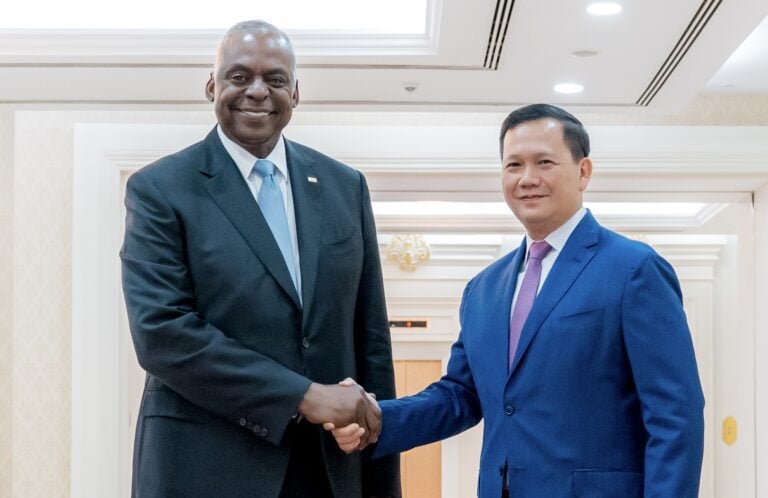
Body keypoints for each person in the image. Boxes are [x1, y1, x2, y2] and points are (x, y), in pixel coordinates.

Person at [328, 104, 704, 497]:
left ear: (583, 171)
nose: (527, 179)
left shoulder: (634, 269)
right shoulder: (484, 289)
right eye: (513, 165)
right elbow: (461, 395)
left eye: (544, 162)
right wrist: (377, 419)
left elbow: (675, 417)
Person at [121, 20, 400, 498]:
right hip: (204, 467)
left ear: (295, 91)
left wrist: (378, 452)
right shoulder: (160, 189)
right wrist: (304, 396)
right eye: (238, 76)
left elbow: (369, 334)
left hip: (330, 469)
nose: (257, 92)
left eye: (274, 79)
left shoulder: (344, 186)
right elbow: (162, 334)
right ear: (212, 85)